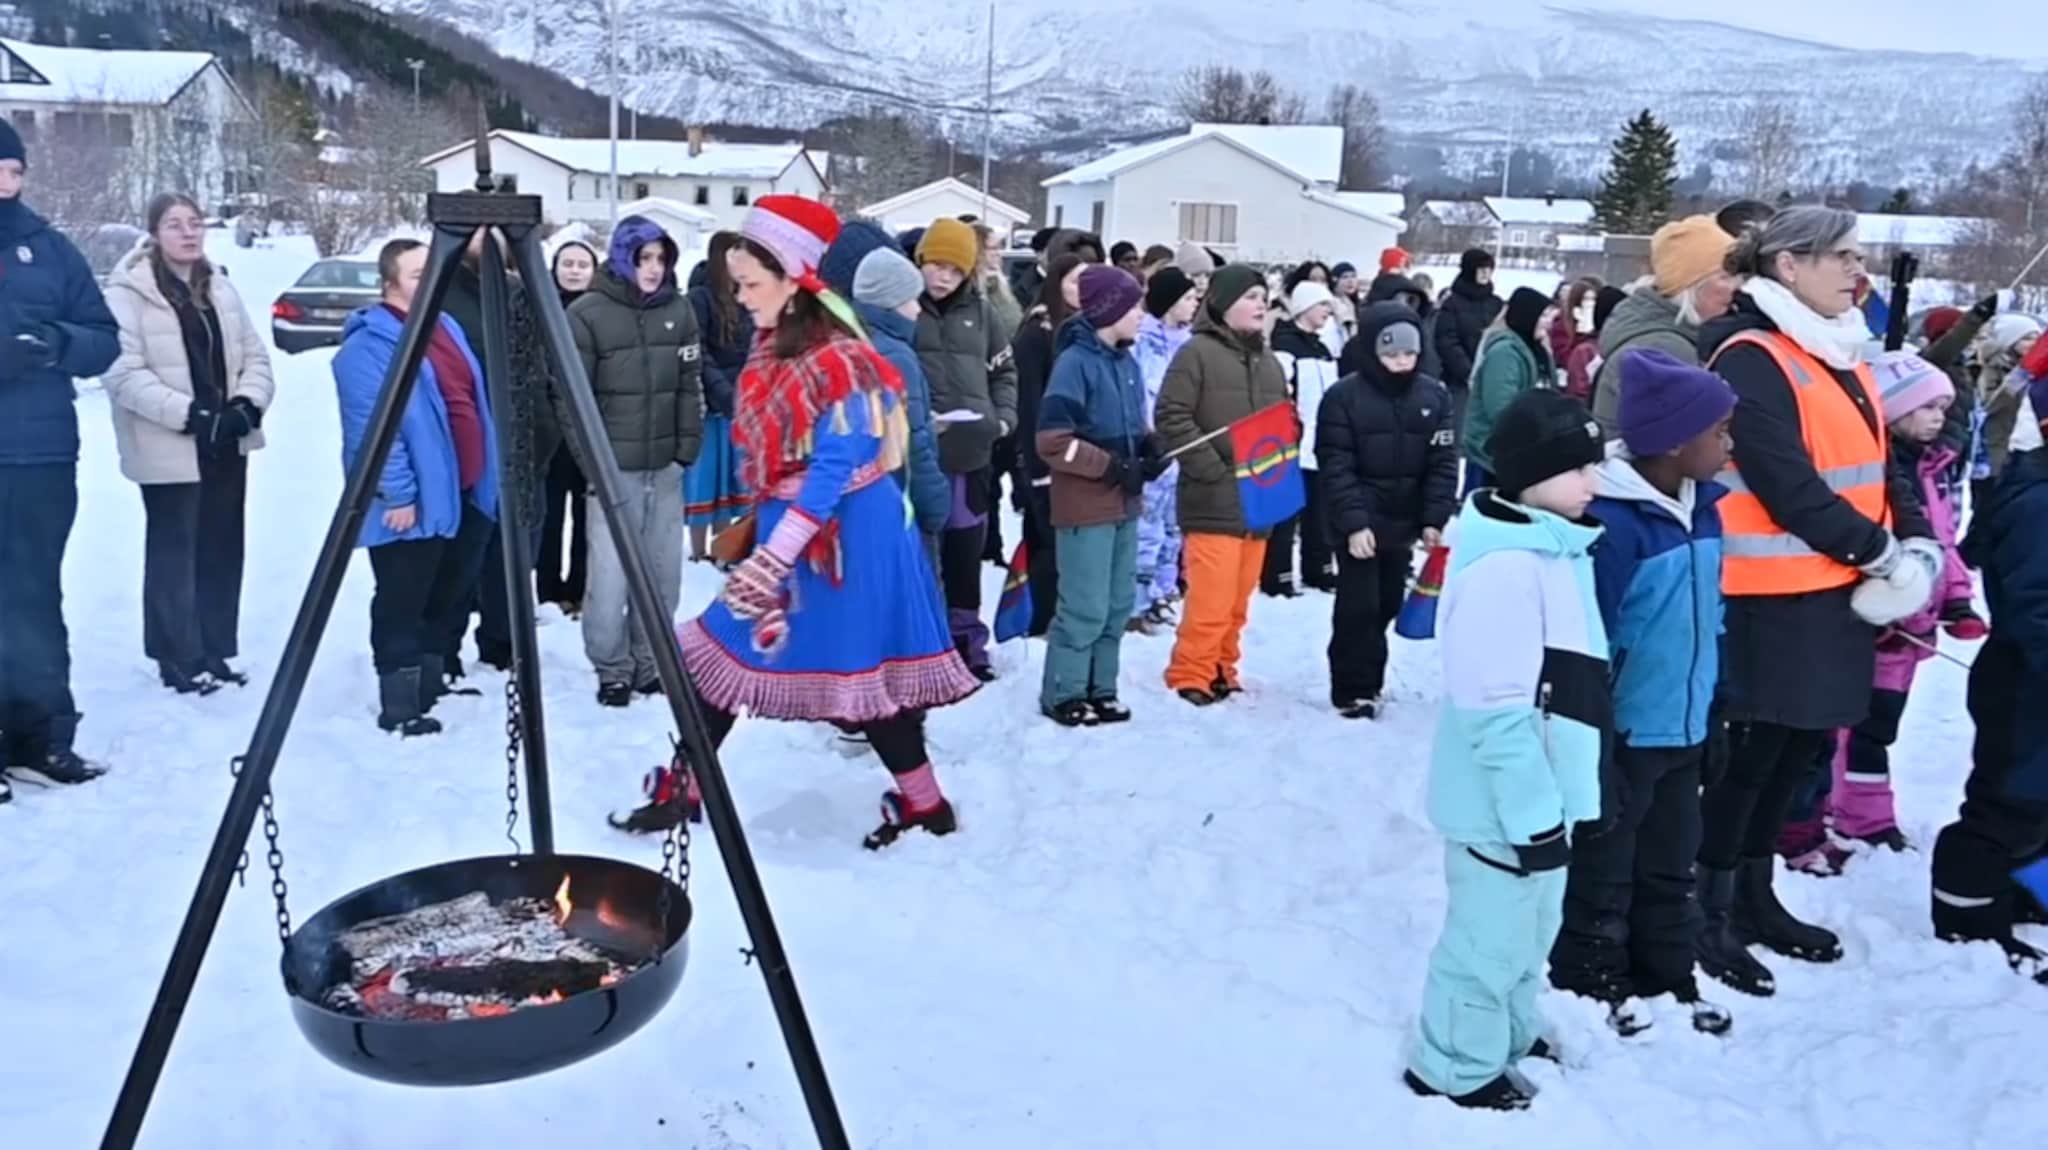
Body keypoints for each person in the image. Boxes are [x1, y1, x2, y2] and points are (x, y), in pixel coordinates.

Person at [623, 195, 979, 849]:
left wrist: (773, 555)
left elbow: (837, 465)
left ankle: (924, 805)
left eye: (750, 283)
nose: (740, 296)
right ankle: (922, 803)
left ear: (792, 278)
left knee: (849, 670)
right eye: (736, 283)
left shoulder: (838, 356)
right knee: (745, 657)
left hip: (846, 539)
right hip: (807, 533)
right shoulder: (778, 342)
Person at [1693, 206, 1939, 997]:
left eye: (1859, 256)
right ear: (1788, 266)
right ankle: (1709, 908)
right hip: (1767, 596)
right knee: (1751, 760)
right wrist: (1880, 553)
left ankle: (1755, 893)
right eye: (1842, 257)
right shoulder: (1750, 355)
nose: (1858, 271)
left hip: (1836, 592)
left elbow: (1879, 462)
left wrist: (1916, 540)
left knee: (1798, 753)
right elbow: (1785, 481)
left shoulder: (1838, 349)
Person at [1405, 388, 1608, 1112]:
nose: (1594, 481)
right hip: (1504, 807)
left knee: (1530, 934)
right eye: (1578, 468)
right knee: (1485, 944)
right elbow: (1495, 711)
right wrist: (1532, 813)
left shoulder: (1557, 547)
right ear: (1531, 476)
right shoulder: (1504, 569)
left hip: (1543, 796)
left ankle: (1508, 1035)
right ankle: (1454, 1064)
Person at [1549, 348, 1737, 1038]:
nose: (1730, 444)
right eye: (1720, 431)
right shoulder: (1613, 524)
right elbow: (1588, 642)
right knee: (1606, 864)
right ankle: (1593, 977)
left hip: (1684, 724)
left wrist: (1717, 708)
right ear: (1676, 441)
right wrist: (1596, 745)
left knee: (1671, 860)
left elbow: (1714, 619)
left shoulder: (1706, 509)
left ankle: (1668, 972)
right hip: (1627, 731)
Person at [1804, 353, 1981, 857]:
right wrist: (1880, 606)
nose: (1939, 418)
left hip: (1913, 627)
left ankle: (1853, 807)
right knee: (1865, 725)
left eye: (1944, 407)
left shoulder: (1934, 468)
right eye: (1927, 407)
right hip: (1878, 624)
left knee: (1879, 722)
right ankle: (1861, 816)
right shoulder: (1877, 472)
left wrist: (1958, 601)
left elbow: (1941, 543)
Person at [103, 192, 274, 696]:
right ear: (155, 233)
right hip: (169, 443)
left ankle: (214, 648)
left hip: (226, 441)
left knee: (221, 548)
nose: (188, 233)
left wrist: (247, 405)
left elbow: (255, 356)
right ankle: (176, 656)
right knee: (175, 554)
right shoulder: (129, 292)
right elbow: (123, 373)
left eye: (194, 223)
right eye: (174, 224)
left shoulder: (219, 287)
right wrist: (189, 415)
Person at [333, 240, 499, 737]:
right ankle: (400, 702)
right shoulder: (368, 346)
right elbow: (371, 431)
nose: (428, 280)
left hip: (462, 490)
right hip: (411, 500)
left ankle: (431, 681)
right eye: (415, 273)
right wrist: (397, 494)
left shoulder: (444, 326)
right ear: (389, 284)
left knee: (448, 592)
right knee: (403, 598)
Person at [0, 117, 120, 799]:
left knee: (36, 598)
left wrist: (54, 344)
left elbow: (103, 336)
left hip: (41, 454)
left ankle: (43, 737)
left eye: (14, 170)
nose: (6, 182)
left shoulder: (49, 249)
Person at [1932, 374, 2048, 984]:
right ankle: (1966, 916)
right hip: (2027, 684)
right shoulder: (2038, 504)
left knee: (2040, 804)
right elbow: (2036, 609)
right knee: (2008, 803)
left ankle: (2026, 889)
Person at [563, 215, 704, 707]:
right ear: (625, 259)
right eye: (644, 258)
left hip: (665, 467)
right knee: (609, 576)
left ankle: (651, 660)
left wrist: (686, 450)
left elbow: (690, 384)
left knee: (663, 574)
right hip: (613, 470)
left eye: (661, 259)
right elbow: (570, 397)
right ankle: (612, 667)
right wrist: (593, 462)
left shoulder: (679, 310)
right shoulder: (587, 313)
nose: (653, 268)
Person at [1156, 266, 1290, 706]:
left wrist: (1289, 436)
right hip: (1213, 499)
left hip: (1259, 497)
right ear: (1223, 303)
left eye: (1263, 297)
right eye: (1251, 297)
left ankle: (1221, 667)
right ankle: (1190, 672)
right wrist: (1209, 467)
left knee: (1238, 600)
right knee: (1210, 599)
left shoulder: (1269, 361)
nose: (1261, 305)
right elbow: (1172, 415)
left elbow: (1283, 415)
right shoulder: (1196, 353)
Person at [1316, 303, 1457, 718]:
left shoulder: (1434, 396)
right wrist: (1354, 523)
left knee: (1387, 602)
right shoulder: (1343, 398)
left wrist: (1433, 518)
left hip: (1402, 520)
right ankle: (1353, 688)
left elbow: (1442, 462)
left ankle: (1371, 677)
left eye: (1409, 354)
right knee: (1358, 605)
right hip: (1359, 520)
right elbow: (1336, 465)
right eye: (1392, 354)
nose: (1401, 363)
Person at [1036, 266, 1153, 725]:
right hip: (1085, 506)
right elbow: (1052, 441)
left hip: (1124, 504)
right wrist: (1111, 466)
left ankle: (1101, 687)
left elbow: (1136, 425)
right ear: (1109, 311)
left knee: (1118, 602)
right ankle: (1064, 691)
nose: (1141, 314)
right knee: (1085, 604)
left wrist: (1149, 448)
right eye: (1134, 306)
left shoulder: (1127, 364)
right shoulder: (1074, 364)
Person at [441, 227, 557, 676]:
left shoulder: (518, 291)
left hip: (521, 441)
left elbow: (538, 366)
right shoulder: (442, 293)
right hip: (466, 443)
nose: (486, 240)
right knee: (460, 556)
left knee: (512, 554)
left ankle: (503, 642)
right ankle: (444, 651)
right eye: (476, 232)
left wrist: (544, 430)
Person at [914, 217, 1019, 679]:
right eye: (937, 265)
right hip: (920, 454)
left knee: (965, 551)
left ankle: (966, 640)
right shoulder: (904, 307)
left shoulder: (983, 312)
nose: (943, 277)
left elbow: (1005, 372)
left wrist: (1003, 419)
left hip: (972, 452)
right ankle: (923, 640)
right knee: (922, 551)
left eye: (955, 271)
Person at [1591, 215, 1739, 436]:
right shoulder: (1664, 349)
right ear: (1690, 285)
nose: (1736, 287)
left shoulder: (1658, 333)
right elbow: (1684, 445)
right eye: (1725, 277)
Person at [844, 246, 950, 552]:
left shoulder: (851, 340)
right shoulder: (896, 355)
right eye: (911, 300)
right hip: (899, 502)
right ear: (890, 302)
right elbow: (910, 443)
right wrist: (935, 504)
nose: (918, 310)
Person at [1010, 253, 1092, 638]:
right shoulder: (1037, 331)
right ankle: (1040, 619)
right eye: (1074, 282)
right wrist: (1035, 464)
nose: (1082, 290)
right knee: (1044, 540)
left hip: (1077, 452)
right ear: (1056, 284)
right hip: (1043, 452)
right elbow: (1029, 402)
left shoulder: (1082, 329)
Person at [1265, 279, 1342, 596]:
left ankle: (1319, 568)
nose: (1328, 311)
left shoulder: (1323, 348)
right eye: (1323, 304)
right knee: (1286, 512)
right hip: (1293, 439)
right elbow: (1279, 392)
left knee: (1320, 510)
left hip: (1320, 441)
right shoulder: (1285, 346)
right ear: (1305, 307)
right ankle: (1278, 574)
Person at [1131, 266, 1197, 632]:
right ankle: (1138, 600)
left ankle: (1164, 591)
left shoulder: (1191, 344)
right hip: (1153, 448)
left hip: (1185, 446)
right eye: (1187, 298)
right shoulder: (1142, 342)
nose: (1194, 304)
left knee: (1175, 526)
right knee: (1147, 525)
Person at [686, 230, 753, 561]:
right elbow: (698, 350)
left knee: (734, 478)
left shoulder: (747, 296)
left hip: (742, 401)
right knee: (706, 479)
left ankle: (725, 548)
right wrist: (723, 391)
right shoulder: (700, 297)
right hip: (712, 405)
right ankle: (699, 553)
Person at [538, 241, 596, 613]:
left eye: (582, 265)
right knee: (549, 514)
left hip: (590, 428)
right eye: (567, 263)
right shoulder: (538, 306)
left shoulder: (602, 312)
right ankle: (547, 591)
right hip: (549, 428)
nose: (574, 271)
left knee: (587, 515)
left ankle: (579, 588)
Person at [1463, 288, 1556, 491]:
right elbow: (1500, 408)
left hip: (1521, 451)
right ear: (1528, 316)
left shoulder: (1538, 351)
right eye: (1543, 316)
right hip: (1491, 455)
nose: (1549, 322)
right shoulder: (1504, 354)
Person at [1973, 313, 2044, 509]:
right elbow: (1989, 406)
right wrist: (2020, 376)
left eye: (2037, 337)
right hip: (1992, 452)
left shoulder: (2035, 370)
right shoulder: (1991, 368)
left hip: (2021, 451)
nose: (2034, 343)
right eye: (2027, 338)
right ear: (2010, 341)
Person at [1434, 248, 1503, 443]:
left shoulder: (1496, 304)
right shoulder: (1452, 304)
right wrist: (1468, 371)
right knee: (1460, 434)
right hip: (1460, 381)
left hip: (1491, 377)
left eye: (1489, 269)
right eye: (1481, 269)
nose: (1486, 274)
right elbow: (1446, 340)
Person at [1549, 277, 1603, 393]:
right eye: (1586, 299)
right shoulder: (1562, 324)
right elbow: (1563, 356)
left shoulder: (1596, 324)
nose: (1591, 303)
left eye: (1594, 299)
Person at [977, 222, 1024, 341]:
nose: (998, 253)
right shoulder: (970, 288)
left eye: (999, 248)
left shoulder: (997, 281)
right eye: (993, 248)